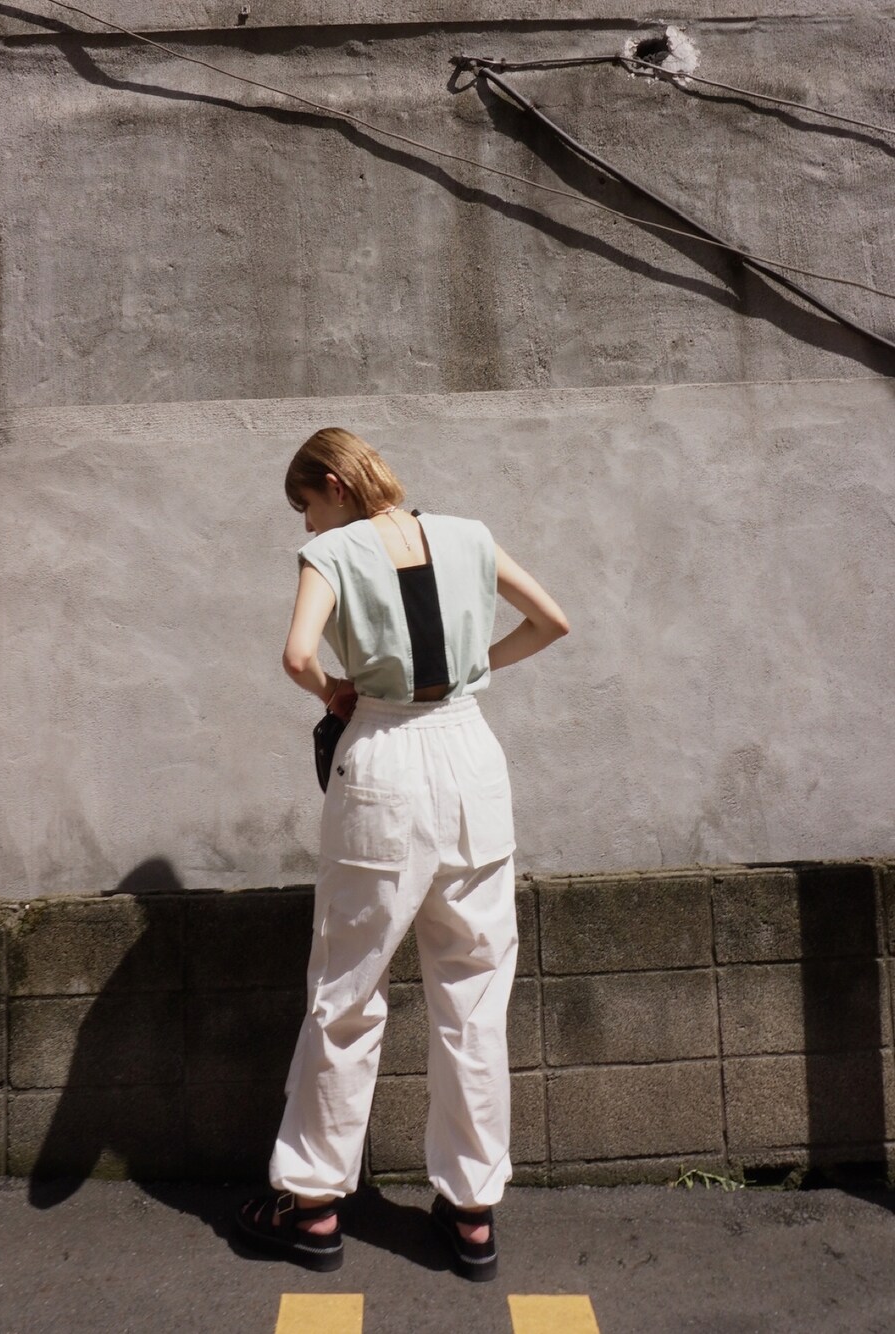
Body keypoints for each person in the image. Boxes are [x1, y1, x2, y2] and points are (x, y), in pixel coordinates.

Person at [235, 428, 568, 1280]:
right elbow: (552, 621)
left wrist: (335, 692)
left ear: (335, 483)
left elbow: (298, 656)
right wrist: (474, 669)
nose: (307, 523)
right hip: (470, 759)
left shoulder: (331, 554)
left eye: (307, 503)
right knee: (474, 993)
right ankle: (472, 1215)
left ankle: (313, 1207)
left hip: (383, 756)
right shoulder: (470, 535)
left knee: (347, 990)